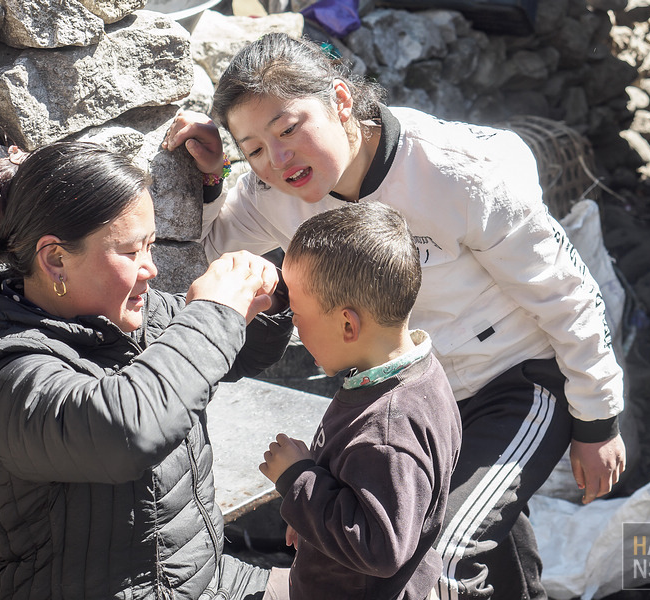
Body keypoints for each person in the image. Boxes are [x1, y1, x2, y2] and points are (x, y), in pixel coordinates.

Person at [162, 32, 626, 600]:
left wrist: (597, 419)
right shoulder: (271, 195)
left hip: (515, 380)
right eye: (254, 149)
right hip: (407, 396)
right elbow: (208, 254)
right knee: (473, 530)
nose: (278, 161)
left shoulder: (458, 171)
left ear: (340, 100)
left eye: (287, 129)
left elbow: (566, 292)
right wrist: (210, 178)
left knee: (443, 555)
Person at [0, 141, 294, 600]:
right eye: (130, 251)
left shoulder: (134, 313)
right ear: (56, 260)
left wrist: (267, 297)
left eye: (151, 245)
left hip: (208, 580)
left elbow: (243, 354)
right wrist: (214, 312)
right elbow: (126, 429)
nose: (151, 269)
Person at [257, 203, 462, 600]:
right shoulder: (419, 377)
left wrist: (299, 481)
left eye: (297, 314)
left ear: (348, 324)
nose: (294, 325)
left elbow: (379, 546)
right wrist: (310, 514)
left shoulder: (388, 430)